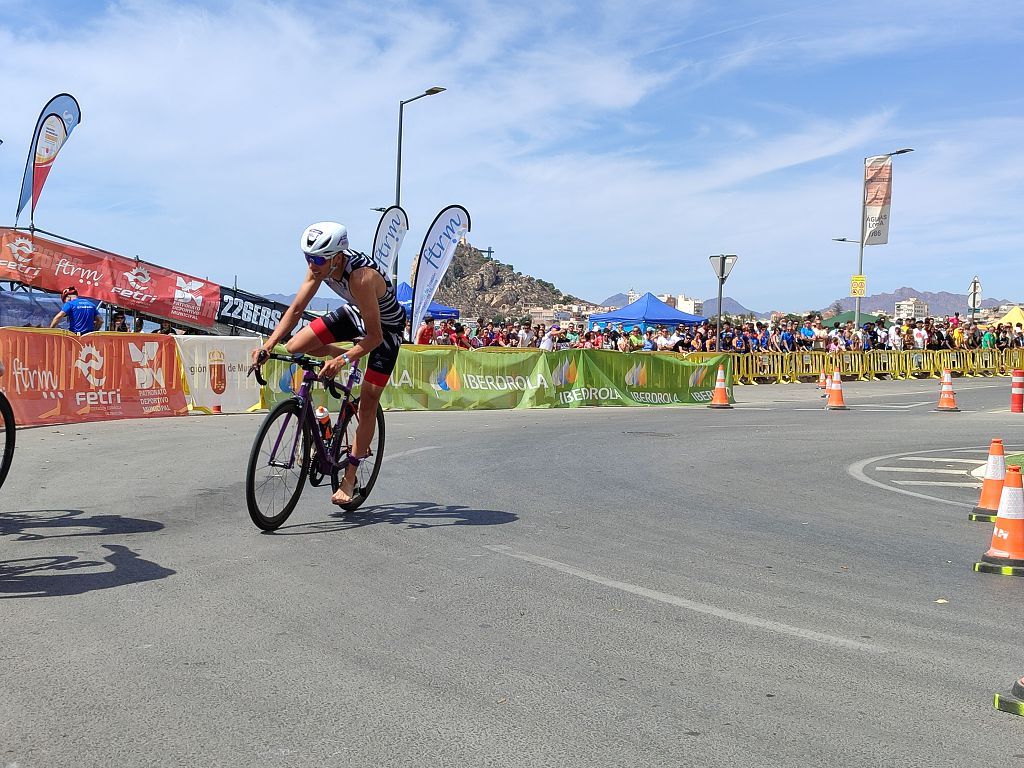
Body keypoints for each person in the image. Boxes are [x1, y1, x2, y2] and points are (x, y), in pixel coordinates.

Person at [253, 221, 406, 506]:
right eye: (307, 258)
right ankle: (323, 421)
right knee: (295, 346)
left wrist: (345, 358)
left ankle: (350, 477)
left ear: (337, 257)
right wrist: (269, 343)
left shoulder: (361, 277)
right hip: (355, 313)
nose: (311, 265)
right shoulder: (319, 269)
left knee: (369, 398)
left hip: (385, 328)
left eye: (318, 260)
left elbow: (374, 337)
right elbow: (297, 309)